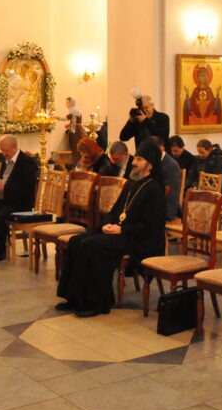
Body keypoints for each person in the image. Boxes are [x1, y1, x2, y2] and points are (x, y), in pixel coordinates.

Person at [56, 140, 166, 317]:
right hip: (120, 232)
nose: (134, 162)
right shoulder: (131, 184)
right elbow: (115, 211)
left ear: (150, 165)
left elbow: (152, 227)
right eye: (135, 158)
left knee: (91, 246)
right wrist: (108, 223)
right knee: (77, 240)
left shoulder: (155, 190)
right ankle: (74, 298)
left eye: (138, 159)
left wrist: (122, 230)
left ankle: (96, 303)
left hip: (139, 240)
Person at [156, 137, 183, 220]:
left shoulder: (171, 165)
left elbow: (172, 195)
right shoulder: (154, 161)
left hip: (167, 210)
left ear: (161, 148)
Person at [64, 97, 86, 164]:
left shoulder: (74, 110)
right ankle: (76, 166)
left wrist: (55, 117)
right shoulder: (74, 110)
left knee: (77, 149)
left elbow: (66, 118)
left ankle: (78, 166)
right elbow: (74, 120)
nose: (66, 104)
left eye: (68, 102)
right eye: (66, 102)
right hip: (75, 130)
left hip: (77, 132)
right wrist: (69, 125)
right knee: (74, 149)